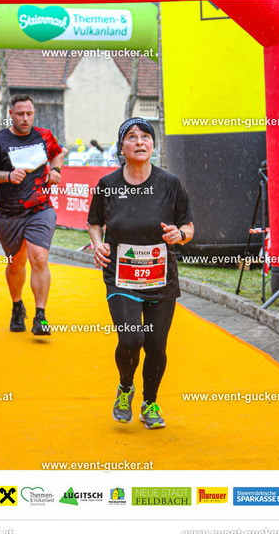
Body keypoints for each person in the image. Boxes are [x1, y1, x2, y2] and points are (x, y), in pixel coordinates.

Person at [87, 117, 194, 429]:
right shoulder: (107, 185)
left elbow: (188, 226)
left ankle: (150, 403)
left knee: (156, 346)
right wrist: (98, 244)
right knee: (132, 338)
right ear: (122, 147)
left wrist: (179, 235)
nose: (139, 142)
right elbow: (95, 223)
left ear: (153, 145)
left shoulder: (170, 183)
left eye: (146, 137)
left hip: (161, 278)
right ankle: (125, 388)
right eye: (131, 137)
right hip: (121, 277)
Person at [0, 94, 64, 336]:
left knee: (39, 258)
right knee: (16, 263)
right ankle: (17, 306)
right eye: (20, 114)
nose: (25, 118)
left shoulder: (44, 135)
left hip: (40, 209)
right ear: (11, 114)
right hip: (9, 213)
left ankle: (40, 316)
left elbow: (58, 153)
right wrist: (7, 176)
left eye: (29, 113)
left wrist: (55, 170)